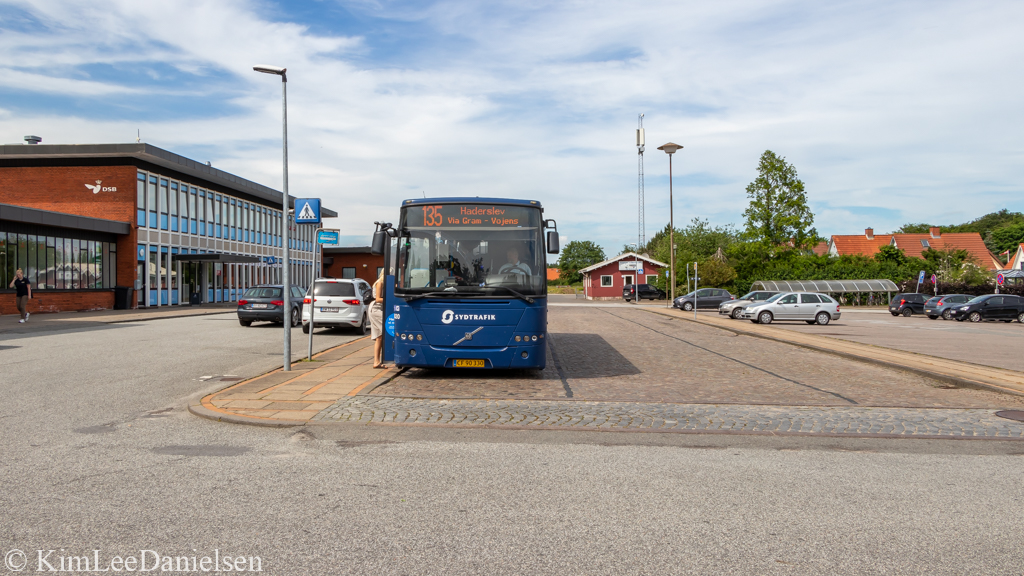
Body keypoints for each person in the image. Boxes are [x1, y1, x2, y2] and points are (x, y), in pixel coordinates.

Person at [370, 269, 386, 368]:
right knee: (386, 331)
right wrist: (389, 298)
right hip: (376, 309)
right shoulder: (380, 283)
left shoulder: (385, 284)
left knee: (379, 337)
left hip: (378, 309)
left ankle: (376, 362)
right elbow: (378, 299)